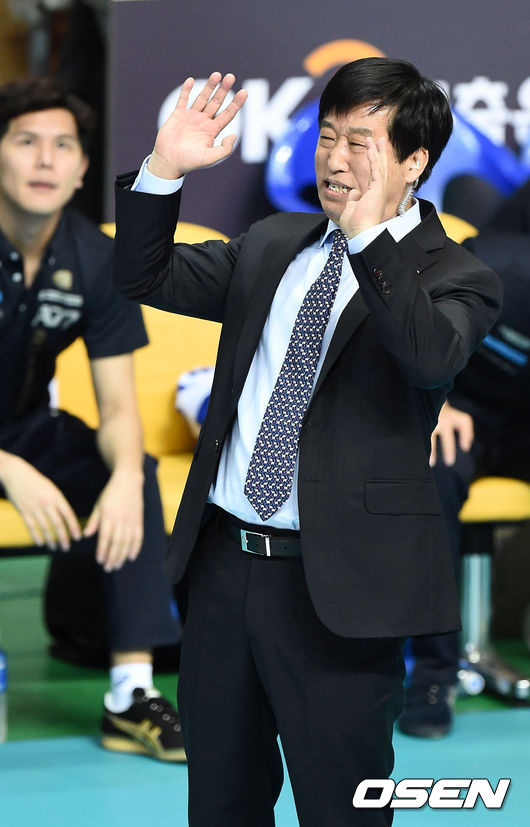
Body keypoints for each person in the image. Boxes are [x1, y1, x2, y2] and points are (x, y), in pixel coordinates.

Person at [113, 59, 501, 826]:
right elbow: (142, 277)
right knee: (220, 802)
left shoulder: (458, 274)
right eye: (328, 137)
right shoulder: (272, 242)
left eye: (361, 142)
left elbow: (428, 355)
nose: (335, 158)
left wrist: (368, 237)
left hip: (342, 589)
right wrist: (164, 168)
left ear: (415, 161)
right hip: (223, 567)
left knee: (341, 808)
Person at [0, 76, 185, 762]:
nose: (45, 159)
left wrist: (126, 477)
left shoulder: (96, 257)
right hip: (7, 452)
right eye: (26, 142)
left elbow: (117, 407)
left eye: (63, 146)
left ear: (82, 168)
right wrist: (7, 469)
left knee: (129, 470)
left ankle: (130, 691)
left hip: (25, 425)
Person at [399, 179, 530, 738]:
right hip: (457, 399)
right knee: (433, 472)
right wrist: (435, 398)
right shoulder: (496, 265)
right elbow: (402, 325)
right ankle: (433, 675)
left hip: (521, 420)